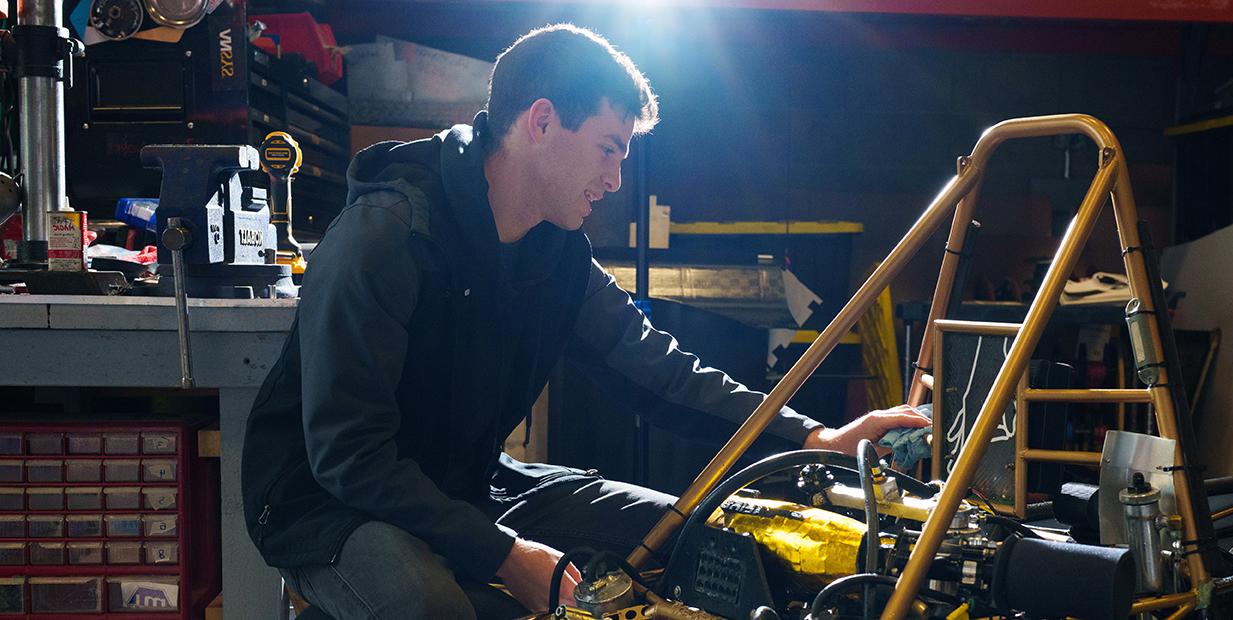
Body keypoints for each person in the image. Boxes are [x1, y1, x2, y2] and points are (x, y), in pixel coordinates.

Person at [241, 23, 929, 618]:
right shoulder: (385, 237)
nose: (615, 178)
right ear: (541, 122)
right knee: (430, 606)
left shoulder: (556, 253)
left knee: (684, 539)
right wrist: (505, 556)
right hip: (327, 504)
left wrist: (817, 437)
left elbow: (662, 374)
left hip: (465, 485)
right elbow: (349, 457)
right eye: (608, 147)